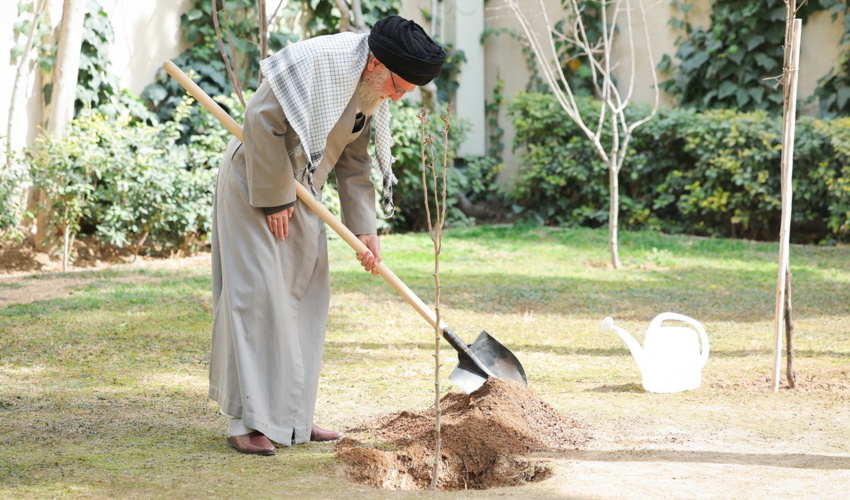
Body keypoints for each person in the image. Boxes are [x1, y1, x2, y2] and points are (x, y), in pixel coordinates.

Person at [208, 15, 446, 455]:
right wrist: (276, 197)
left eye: (404, 94)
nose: (395, 96)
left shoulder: (368, 89)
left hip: (305, 192)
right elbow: (260, 118)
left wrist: (364, 230)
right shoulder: (321, 60)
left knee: (304, 298)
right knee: (258, 296)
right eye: (397, 87)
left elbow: (353, 164)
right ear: (376, 62)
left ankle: (292, 418)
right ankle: (248, 421)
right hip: (257, 182)